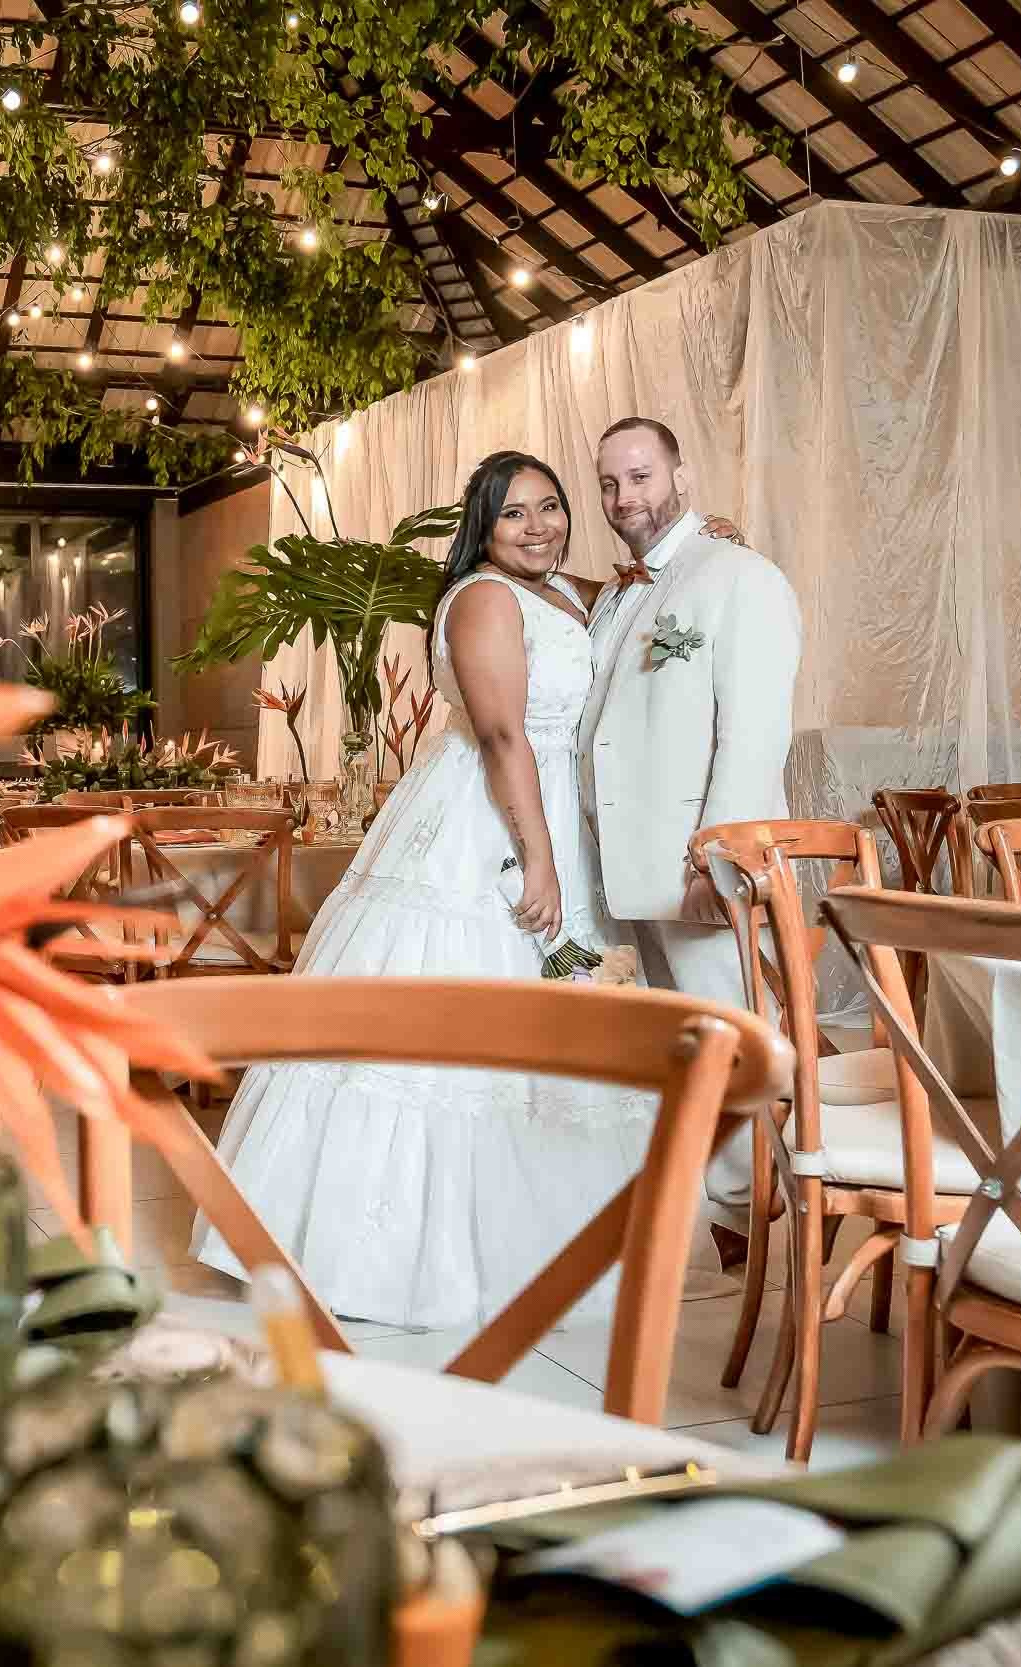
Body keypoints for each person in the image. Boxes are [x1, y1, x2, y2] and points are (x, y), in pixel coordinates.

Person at [189, 450, 657, 1328]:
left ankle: (561, 1248)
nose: (538, 527)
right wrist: (540, 857)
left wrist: (691, 549)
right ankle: (385, 1259)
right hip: (492, 821)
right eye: (513, 513)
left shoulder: (557, 592)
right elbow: (502, 736)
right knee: (455, 1036)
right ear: (480, 526)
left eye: (551, 507)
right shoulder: (483, 598)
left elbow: (625, 587)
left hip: (552, 806)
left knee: (553, 1032)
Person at [580, 416, 799, 1214]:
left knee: (733, 1038)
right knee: (675, 1049)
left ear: (681, 473)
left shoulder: (740, 576)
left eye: (640, 476)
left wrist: (718, 858)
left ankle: (756, 1219)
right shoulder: (614, 592)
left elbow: (753, 737)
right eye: (609, 482)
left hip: (694, 867)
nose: (624, 496)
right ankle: (703, 1214)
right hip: (623, 866)